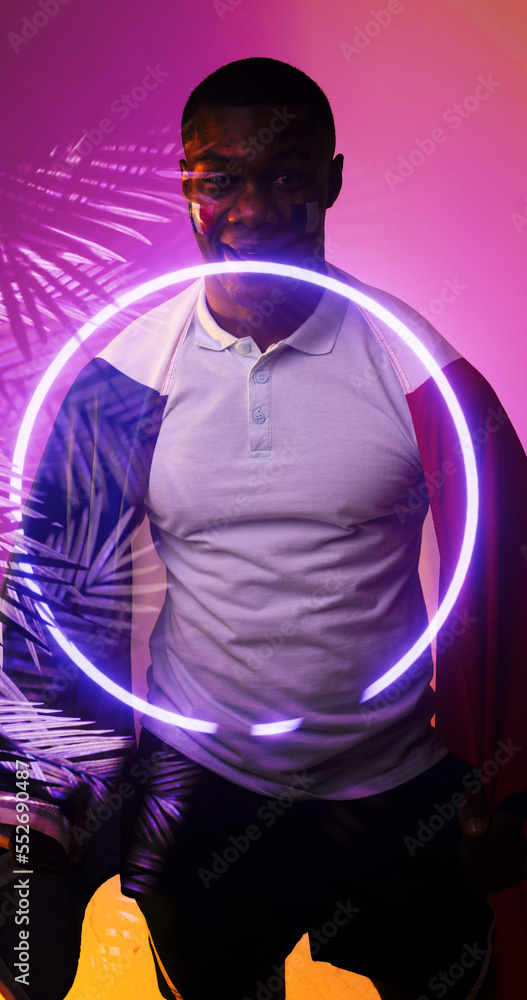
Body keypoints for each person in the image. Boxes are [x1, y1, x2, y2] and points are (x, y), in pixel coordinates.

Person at [1, 57, 526, 1000]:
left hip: (392, 787)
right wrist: (39, 806)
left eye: (285, 174)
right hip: (202, 788)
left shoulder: (417, 374)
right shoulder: (127, 377)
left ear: (329, 178)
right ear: (188, 188)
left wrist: (509, 771)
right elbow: (53, 597)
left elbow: (515, 578)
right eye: (220, 179)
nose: (253, 209)